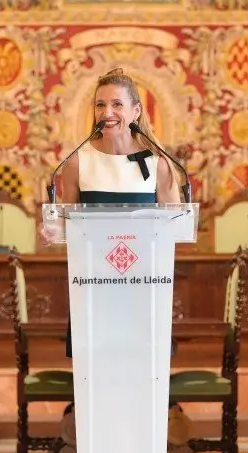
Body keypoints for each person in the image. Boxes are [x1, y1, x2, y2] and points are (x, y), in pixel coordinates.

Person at [49, 67, 181, 356]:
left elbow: (177, 226)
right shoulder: (77, 163)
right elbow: (66, 223)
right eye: (100, 104)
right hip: (92, 286)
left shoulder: (159, 165)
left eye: (117, 104)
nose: (107, 112)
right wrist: (53, 228)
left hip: (144, 286)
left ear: (136, 111)